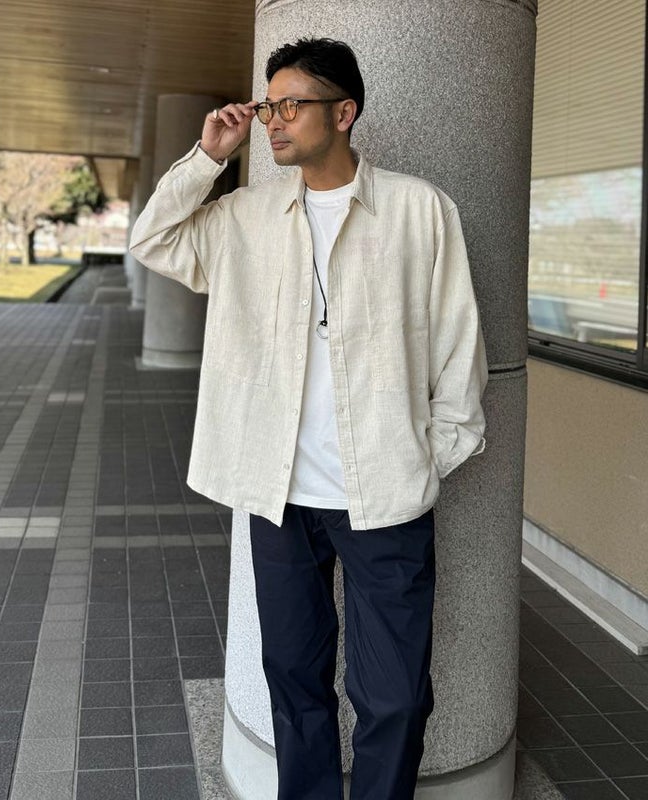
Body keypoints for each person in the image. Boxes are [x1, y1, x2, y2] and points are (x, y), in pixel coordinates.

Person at [130, 37, 487, 800]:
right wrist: (207, 157)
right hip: (281, 497)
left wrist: (429, 456)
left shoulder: (419, 209)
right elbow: (152, 240)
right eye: (269, 107)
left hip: (385, 493)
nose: (273, 121)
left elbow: (460, 345)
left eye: (291, 105)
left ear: (344, 112)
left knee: (395, 696)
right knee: (293, 680)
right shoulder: (245, 216)